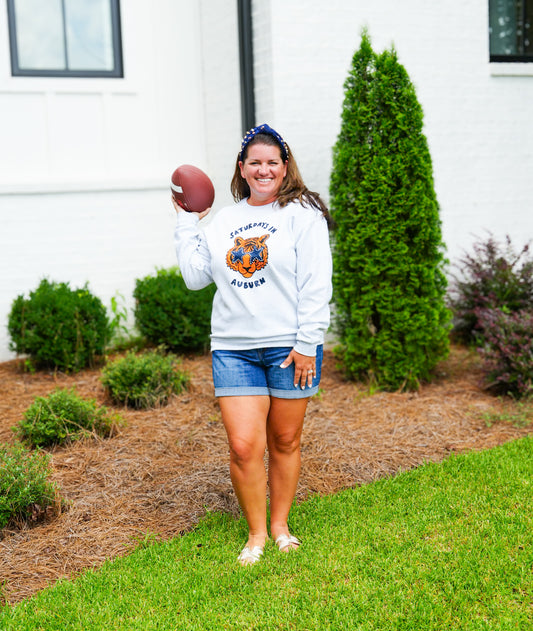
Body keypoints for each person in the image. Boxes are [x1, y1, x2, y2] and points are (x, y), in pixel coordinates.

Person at [173, 123, 332, 565]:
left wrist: (307, 343)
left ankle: (280, 525)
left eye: (272, 163)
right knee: (244, 446)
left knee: (284, 439)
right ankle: (257, 533)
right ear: (242, 169)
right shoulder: (225, 221)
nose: (264, 170)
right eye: (255, 162)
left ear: (285, 168)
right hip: (234, 347)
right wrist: (187, 220)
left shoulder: (303, 215)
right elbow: (194, 277)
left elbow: (317, 285)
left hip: (291, 348)